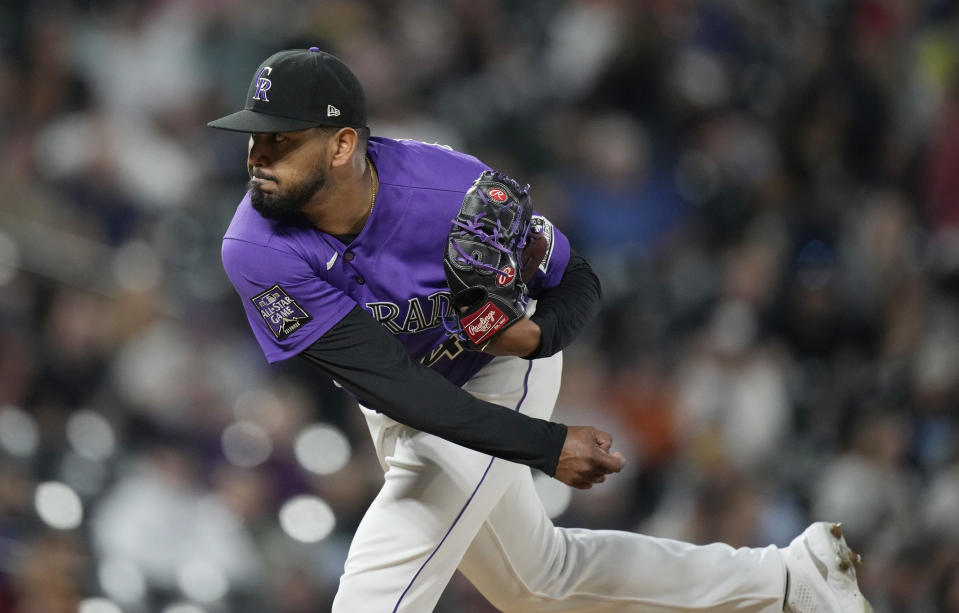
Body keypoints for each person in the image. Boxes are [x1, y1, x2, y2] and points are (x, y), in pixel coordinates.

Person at [209, 47, 871, 612]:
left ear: (344, 144)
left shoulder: (447, 193)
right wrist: (544, 444)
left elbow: (575, 276)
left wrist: (537, 338)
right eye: (254, 136)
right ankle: (788, 578)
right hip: (406, 396)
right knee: (538, 582)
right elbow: (394, 385)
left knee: (378, 582)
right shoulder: (255, 246)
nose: (257, 156)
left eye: (280, 140)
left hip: (496, 371)